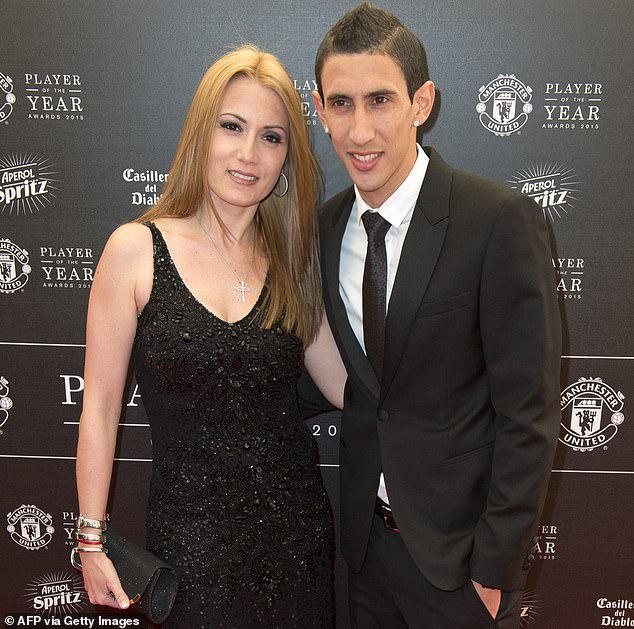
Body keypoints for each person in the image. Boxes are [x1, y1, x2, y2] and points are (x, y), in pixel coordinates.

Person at [299, 4, 562, 627]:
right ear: (320, 110)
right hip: (364, 556)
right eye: (341, 104)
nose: (360, 131)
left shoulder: (496, 221)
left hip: (461, 568)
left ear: (422, 102)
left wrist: (493, 573)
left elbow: (528, 414)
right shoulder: (325, 228)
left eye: (380, 101)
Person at [75, 44, 346, 628]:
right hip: (190, 552)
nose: (249, 154)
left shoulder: (293, 262)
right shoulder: (136, 250)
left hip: (297, 543)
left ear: (286, 158)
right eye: (232, 127)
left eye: (271, 137)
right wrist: (91, 540)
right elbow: (99, 406)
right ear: (202, 132)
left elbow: (345, 386)